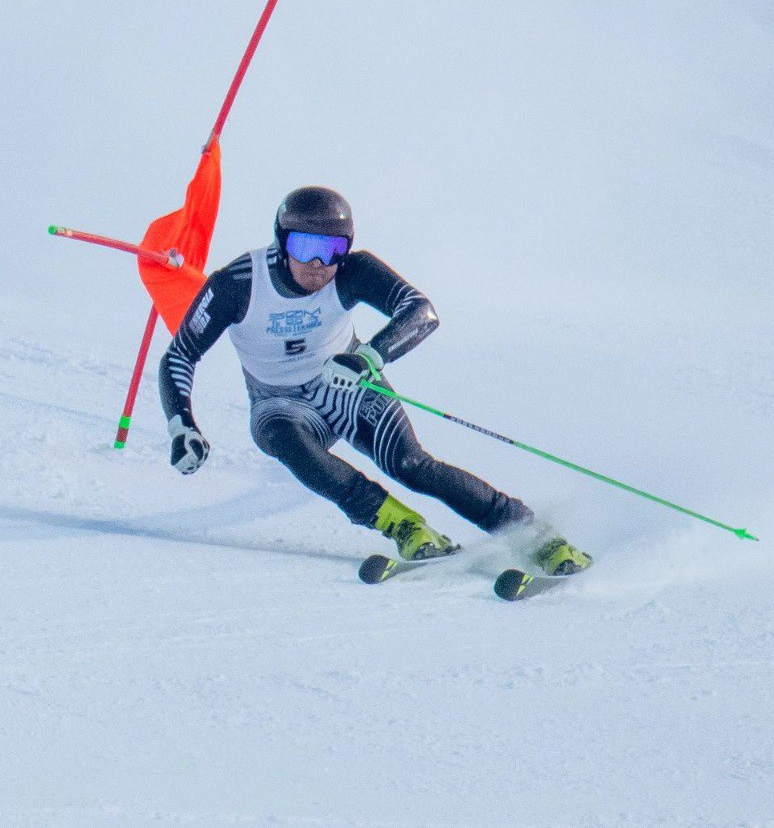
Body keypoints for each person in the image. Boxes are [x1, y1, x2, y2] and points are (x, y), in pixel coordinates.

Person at [157, 186, 592, 574]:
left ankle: (535, 535)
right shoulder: (239, 284)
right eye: (304, 245)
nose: (317, 263)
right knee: (282, 440)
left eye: (331, 250)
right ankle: (404, 526)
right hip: (279, 402)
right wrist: (182, 425)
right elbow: (180, 355)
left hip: (346, 384)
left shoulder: (353, 271)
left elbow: (421, 312)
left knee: (411, 466)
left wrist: (367, 358)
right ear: (281, 240)